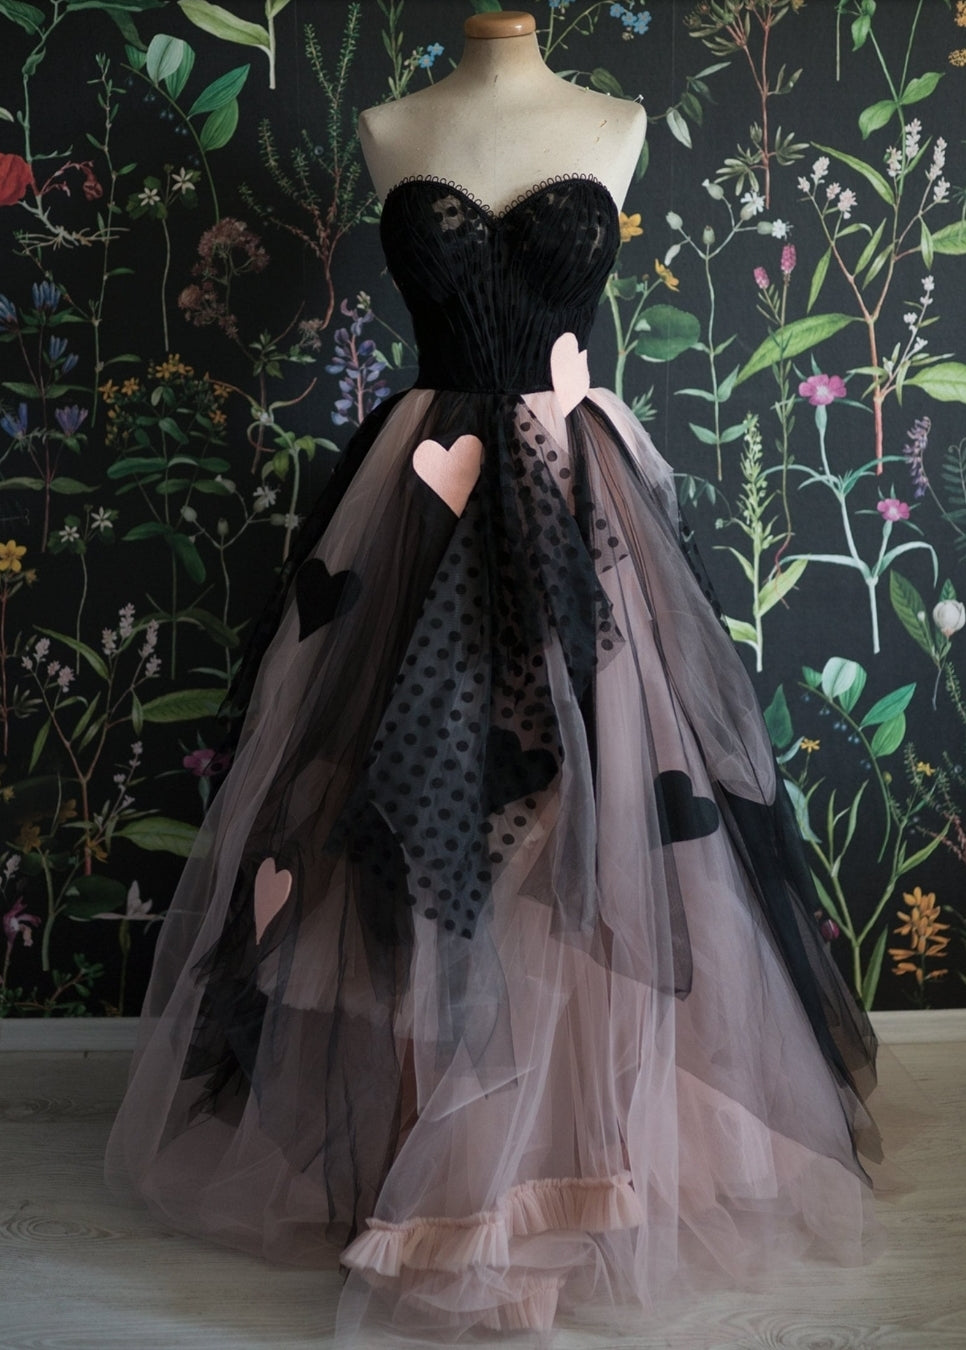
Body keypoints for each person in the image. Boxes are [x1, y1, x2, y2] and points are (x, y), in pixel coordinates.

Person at [107, 10, 882, 1344]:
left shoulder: (617, 123)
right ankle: (436, 1146)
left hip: (579, 493)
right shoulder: (391, 124)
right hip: (423, 499)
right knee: (416, 798)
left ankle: (584, 1144)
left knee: (593, 800)